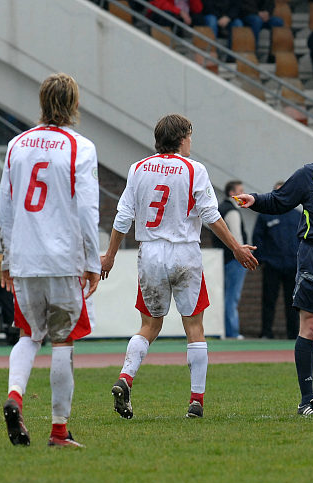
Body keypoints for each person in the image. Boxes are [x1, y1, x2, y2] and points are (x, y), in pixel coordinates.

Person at [102, 114, 258, 420]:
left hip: (150, 253)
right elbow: (210, 216)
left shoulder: (138, 168)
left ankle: (126, 377)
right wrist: (237, 248)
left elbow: (123, 217)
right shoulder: (194, 169)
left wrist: (109, 255)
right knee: (194, 328)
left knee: (149, 325)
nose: (191, 141)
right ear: (182, 138)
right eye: (190, 135)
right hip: (185, 252)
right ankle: (196, 401)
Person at [0, 73, 100, 448]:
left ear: (42, 101)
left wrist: (6, 258)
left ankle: (15, 395)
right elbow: (88, 210)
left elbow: (6, 208)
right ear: (73, 104)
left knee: (29, 335)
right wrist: (92, 259)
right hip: (62, 259)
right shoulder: (79, 147)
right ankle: (59, 431)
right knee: (62, 341)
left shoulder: (16, 145)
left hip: (24, 258)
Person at [234, 120, 313, 415]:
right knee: (312, 325)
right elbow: (279, 200)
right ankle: (307, 401)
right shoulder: (308, 174)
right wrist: (255, 200)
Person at [251, 181, 301, 339]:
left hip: (293, 266)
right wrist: (261, 260)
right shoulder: (265, 215)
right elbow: (258, 238)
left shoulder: (297, 215)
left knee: (293, 302)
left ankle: (293, 333)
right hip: (272, 265)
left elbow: (304, 239)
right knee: (268, 299)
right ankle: (266, 332)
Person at [214, 180, 249, 340]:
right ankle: (232, 331)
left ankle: (226, 329)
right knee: (232, 296)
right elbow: (237, 237)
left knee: (226, 294)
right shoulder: (232, 212)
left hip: (224, 258)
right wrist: (244, 254)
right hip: (234, 259)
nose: (243, 195)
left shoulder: (221, 209)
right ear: (231, 194)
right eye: (240, 191)